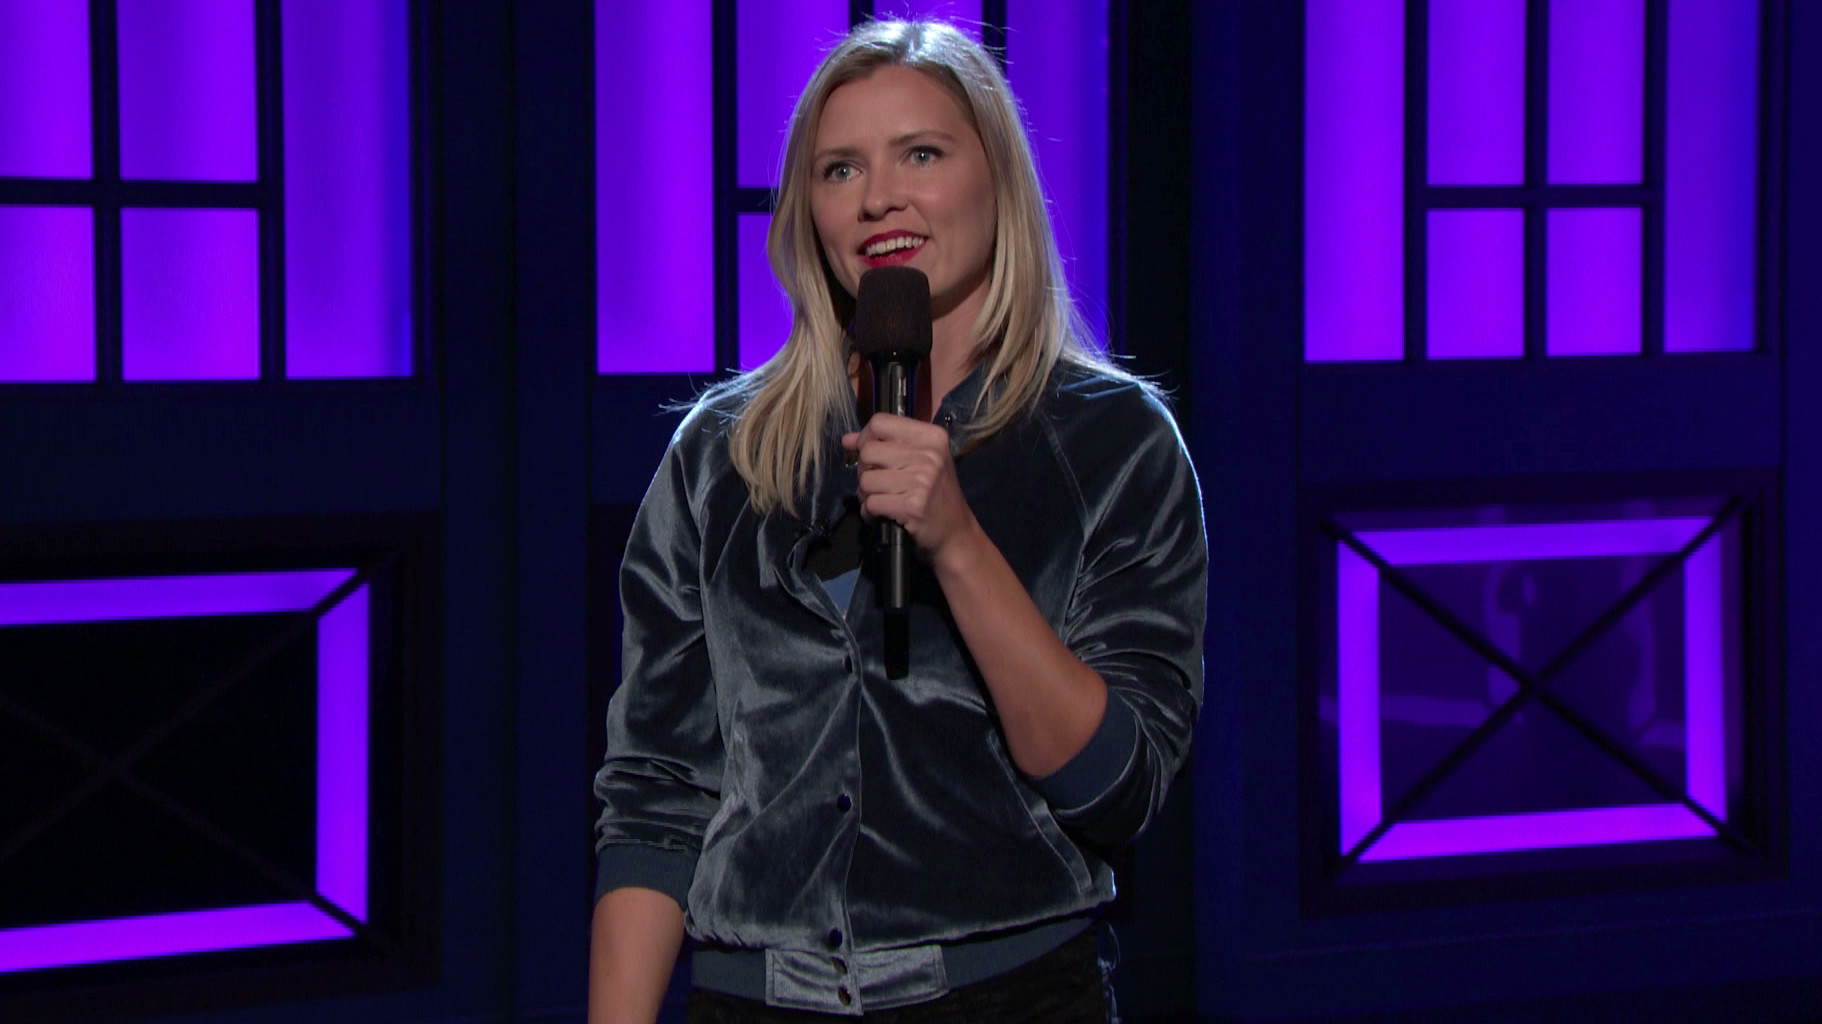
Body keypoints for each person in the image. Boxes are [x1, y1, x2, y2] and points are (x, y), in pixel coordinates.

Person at [589, 19, 1205, 1024]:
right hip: (754, 1000)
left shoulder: (1114, 443)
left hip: (1006, 999)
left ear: (997, 179)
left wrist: (956, 542)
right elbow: (657, 791)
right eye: (840, 169)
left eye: (921, 154)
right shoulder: (721, 454)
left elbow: (1115, 787)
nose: (879, 197)